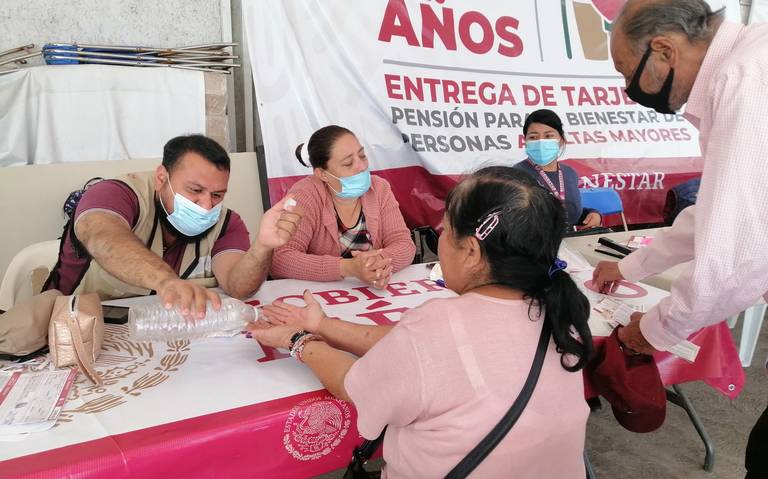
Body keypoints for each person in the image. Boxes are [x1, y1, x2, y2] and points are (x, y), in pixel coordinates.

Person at [252, 168, 593, 478]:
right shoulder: (562, 312)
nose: (440, 240)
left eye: (445, 230)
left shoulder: (437, 325)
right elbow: (418, 350)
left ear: (472, 252)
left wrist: (299, 341)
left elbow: (353, 382)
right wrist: (324, 325)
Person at [591, 1, 768, 476]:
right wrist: (628, 268)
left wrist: (652, 331)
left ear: (664, 49)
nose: (629, 90)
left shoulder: (745, 80)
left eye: (627, 72)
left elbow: (736, 257)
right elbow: (713, 213)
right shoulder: (747, 65)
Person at [44, 134, 302, 318]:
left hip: (158, 333)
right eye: (195, 190)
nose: (205, 205)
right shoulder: (115, 194)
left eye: (217, 195)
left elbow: (238, 287)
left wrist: (262, 247)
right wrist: (166, 281)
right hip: (71, 329)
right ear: (161, 178)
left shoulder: (226, 223)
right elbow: (103, 236)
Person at [270, 125, 415, 288]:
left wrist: (378, 263)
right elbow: (280, 260)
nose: (361, 166)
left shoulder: (380, 188)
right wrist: (349, 268)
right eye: (348, 163)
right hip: (320, 299)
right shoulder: (305, 195)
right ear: (322, 174)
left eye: (362, 156)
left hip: (372, 295)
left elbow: (404, 244)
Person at [513, 109, 602, 229]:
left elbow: (569, 213)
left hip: (569, 242)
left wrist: (592, 214)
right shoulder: (516, 175)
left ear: (561, 140)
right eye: (533, 137)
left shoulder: (570, 173)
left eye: (548, 136)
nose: (540, 142)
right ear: (525, 141)